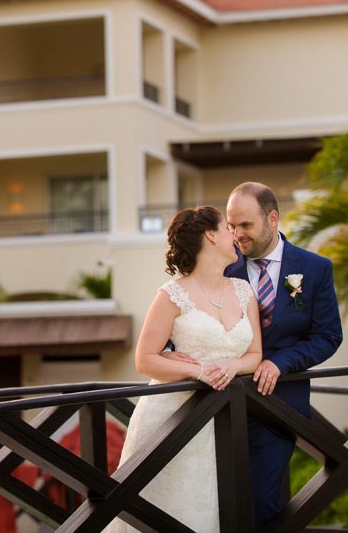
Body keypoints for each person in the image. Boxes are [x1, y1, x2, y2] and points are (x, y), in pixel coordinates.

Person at [164, 182, 343, 530]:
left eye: (245, 225)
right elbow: (188, 316)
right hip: (213, 408)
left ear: (272, 218)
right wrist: (177, 355)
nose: (236, 234)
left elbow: (328, 336)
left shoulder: (314, 268)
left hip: (279, 408)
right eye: (230, 226)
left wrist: (280, 362)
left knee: (262, 504)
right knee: (214, 505)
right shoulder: (223, 265)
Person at [106, 206, 262, 532]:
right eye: (226, 228)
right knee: (160, 513)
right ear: (210, 235)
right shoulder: (171, 295)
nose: (233, 235)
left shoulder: (244, 292)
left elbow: (255, 354)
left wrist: (233, 365)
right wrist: (198, 372)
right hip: (169, 419)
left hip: (221, 421)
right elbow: (144, 359)